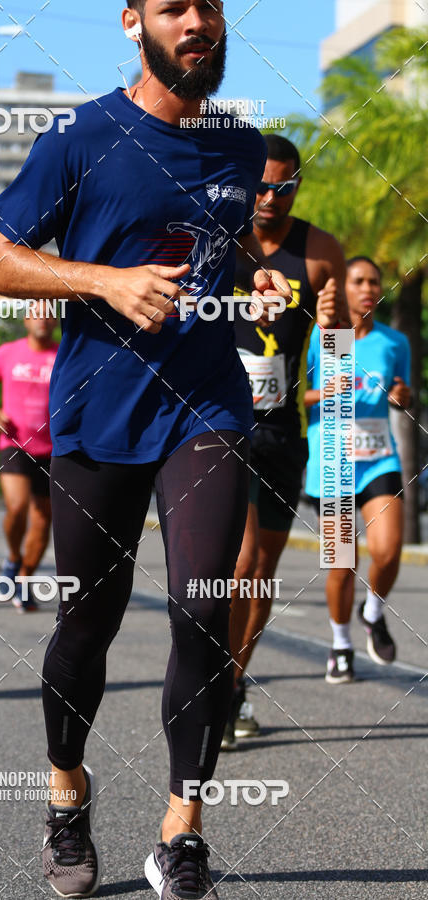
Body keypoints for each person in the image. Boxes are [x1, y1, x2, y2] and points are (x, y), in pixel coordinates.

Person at [0, 2, 291, 897]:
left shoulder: (240, 146)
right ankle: (66, 796)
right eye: (173, 7)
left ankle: (182, 829)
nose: (197, 22)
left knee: (202, 606)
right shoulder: (81, 137)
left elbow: (221, 251)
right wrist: (104, 281)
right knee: (89, 622)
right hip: (98, 412)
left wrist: (256, 279)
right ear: (132, 23)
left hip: (206, 406)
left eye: (209, 6)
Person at [224, 134, 350, 749]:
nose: (270, 197)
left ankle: (232, 684)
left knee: (263, 573)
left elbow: (342, 352)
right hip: (221, 425)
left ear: (298, 186)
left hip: (282, 430)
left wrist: (332, 326)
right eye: (261, 186)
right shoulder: (223, 241)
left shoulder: (321, 252)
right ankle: (211, 682)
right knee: (242, 563)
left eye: (283, 187)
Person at [304, 256, 411, 682]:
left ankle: (373, 611)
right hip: (332, 462)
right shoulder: (323, 336)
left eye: (374, 282)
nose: (368, 289)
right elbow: (289, 393)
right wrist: (323, 392)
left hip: (378, 457)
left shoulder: (393, 342)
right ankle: (340, 645)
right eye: (359, 281)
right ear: (342, 288)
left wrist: (403, 396)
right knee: (342, 563)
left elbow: (403, 392)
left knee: (388, 550)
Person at [0, 311, 58, 613]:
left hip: (53, 448)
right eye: (36, 314)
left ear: (56, 321)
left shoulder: (63, 355)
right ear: (26, 320)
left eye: (49, 315)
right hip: (14, 443)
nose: (43, 320)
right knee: (18, 507)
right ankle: (13, 558)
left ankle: (23, 581)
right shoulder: (8, 352)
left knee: (43, 519)